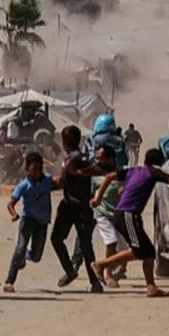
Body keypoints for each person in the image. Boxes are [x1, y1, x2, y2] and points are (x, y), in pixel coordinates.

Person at [91, 148, 169, 297]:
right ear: (159, 162)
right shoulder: (154, 172)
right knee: (139, 250)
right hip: (128, 215)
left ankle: (151, 287)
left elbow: (108, 177)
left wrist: (97, 199)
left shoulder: (134, 170)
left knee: (148, 252)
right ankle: (101, 264)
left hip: (126, 215)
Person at [51, 125, 104, 292]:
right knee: (84, 245)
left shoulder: (74, 159)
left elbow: (94, 170)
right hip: (76, 206)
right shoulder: (77, 158)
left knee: (60, 239)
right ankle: (91, 280)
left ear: (65, 141)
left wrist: (76, 173)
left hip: (75, 206)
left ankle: (72, 272)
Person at [73, 143, 127, 285]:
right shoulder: (94, 175)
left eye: (101, 158)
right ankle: (107, 274)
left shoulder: (121, 173)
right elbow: (91, 194)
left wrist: (124, 189)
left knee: (124, 248)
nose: (98, 161)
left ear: (111, 158)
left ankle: (118, 269)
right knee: (111, 241)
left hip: (120, 214)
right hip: (102, 213)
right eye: (97, 158)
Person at [3, 151, 56, 292]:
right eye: (35, 169)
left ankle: (22, 256)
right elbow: (11, 204)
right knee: (20, 247)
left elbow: (59, 182)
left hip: (42, 222)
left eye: (40, 168)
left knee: (36, 256)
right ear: (27, 169)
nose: (38, 172)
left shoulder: (47, 181)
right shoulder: (24, 185)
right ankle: (9, 280)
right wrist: (14, 214)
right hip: (28, 220)